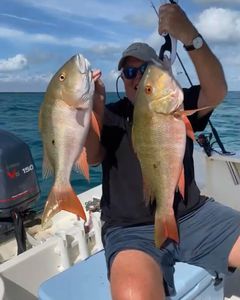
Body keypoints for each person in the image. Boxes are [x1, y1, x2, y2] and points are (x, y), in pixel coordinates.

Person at [86, 3, 240, 300]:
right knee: (133, 294)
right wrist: (94, 109)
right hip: (131, 230)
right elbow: (93, 157)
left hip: (194, 215)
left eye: (144, 69)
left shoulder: (176, 105)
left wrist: (190, 37)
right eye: (129, 71)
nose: (136, 76)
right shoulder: (111, 115)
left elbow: (217, 90)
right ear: (123, 79)